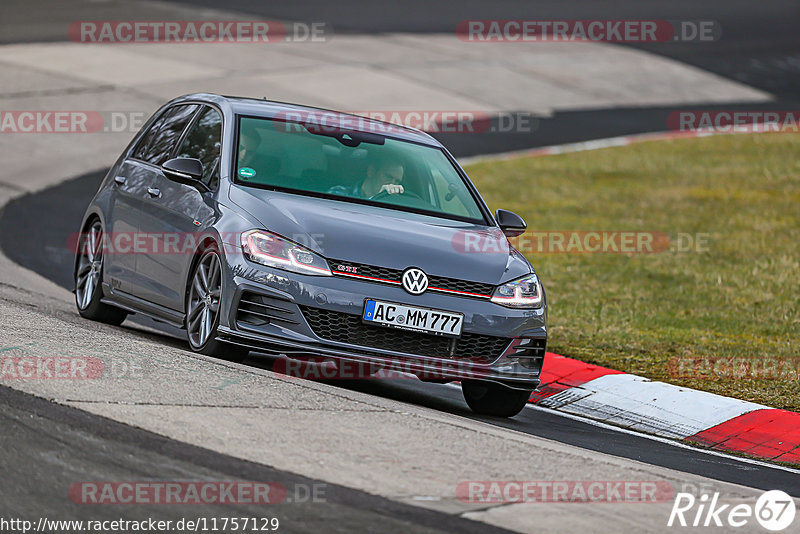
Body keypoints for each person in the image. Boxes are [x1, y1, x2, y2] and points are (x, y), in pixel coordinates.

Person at [328, 156, 405, 199]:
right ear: (371, 171)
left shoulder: (396, 206)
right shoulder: (340, 192)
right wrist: (378, 198)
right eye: (388, 177)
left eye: (397, 181)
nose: (392, 183)